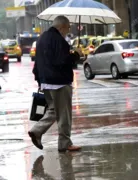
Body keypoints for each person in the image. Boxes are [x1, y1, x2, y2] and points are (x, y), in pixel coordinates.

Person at [28, 15, 83, 152]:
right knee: (64, 114)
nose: (68, 30)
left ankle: (37, 130)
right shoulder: (60, 41)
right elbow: (62, 61)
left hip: (46, 82)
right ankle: (64, 143)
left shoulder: (41, 39)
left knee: (53, 110)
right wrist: (76, 55)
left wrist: (40, 80)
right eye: (68, 27)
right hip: (60, 83)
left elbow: (38, 62)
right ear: (62, 27)